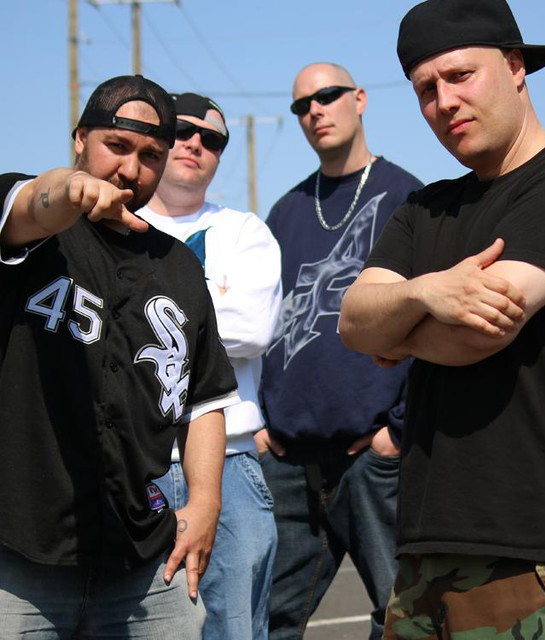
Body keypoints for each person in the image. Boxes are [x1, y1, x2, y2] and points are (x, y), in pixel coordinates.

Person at [339, 0, 545, 637]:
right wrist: (427, 293)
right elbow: (353, 323)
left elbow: (477, 332)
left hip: (542, 556)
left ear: (515, 67)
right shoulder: (425, 208)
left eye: (460, 76)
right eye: (426, 89)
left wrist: (400, 330)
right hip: (421, 557)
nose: (444, 102)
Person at [0, 75, 239, 639]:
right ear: (80, 139)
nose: (131, 170)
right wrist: (68, 190)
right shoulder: (32, 227)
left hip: (141, 556)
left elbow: (205, 400)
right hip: (20, 554)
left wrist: (205, 503)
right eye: (118, 146)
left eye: (151, 155)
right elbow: (32, 202)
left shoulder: (179, 265)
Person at [258, 62, 422, 639]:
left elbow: (435, 319)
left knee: (402, 617)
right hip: (289, 460)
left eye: (327, 96)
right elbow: (262, 326)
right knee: (268, 620)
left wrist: (398, 431)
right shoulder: (286, 211)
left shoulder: (408, 197)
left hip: (372, 459)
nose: (315, 111)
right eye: (301, 104)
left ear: (360, 98)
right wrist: (261, 422)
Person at [138, 91, 281, 640]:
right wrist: (208, 301)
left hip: (230, 464)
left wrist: (144, 316)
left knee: (233, 631)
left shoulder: (245, 232)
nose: (195, 143)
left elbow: (253, 330)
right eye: (181, 131)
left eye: (213, 139)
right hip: (131, 467)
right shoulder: (112, 223)